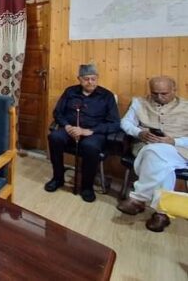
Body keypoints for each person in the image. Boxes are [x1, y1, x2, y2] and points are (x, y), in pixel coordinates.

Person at [117, 76, 188, 232]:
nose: (159, 97)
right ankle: (162, 213)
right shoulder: (139, 103)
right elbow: (125, 122)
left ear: (174, 90)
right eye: (155, 93)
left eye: (164, 93)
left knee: (153, 153)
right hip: (145, 145)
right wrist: (139, 132)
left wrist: (174, 141)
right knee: (162, 162)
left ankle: (139, 199)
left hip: (179, 151)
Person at [44, 64, 120, 202]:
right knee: (54, 137)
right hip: (70, 129)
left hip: (93, 133)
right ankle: (58, 178)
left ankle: (87, 187)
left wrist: (89, 131)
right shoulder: (70, 92)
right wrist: (67, 126)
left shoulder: (106, 96)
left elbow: (114, 123)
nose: (90, 82)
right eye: (86, 79)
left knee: (90, 147)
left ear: (97, 78)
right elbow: (58, 112)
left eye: (93, 79)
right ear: (79, 79)